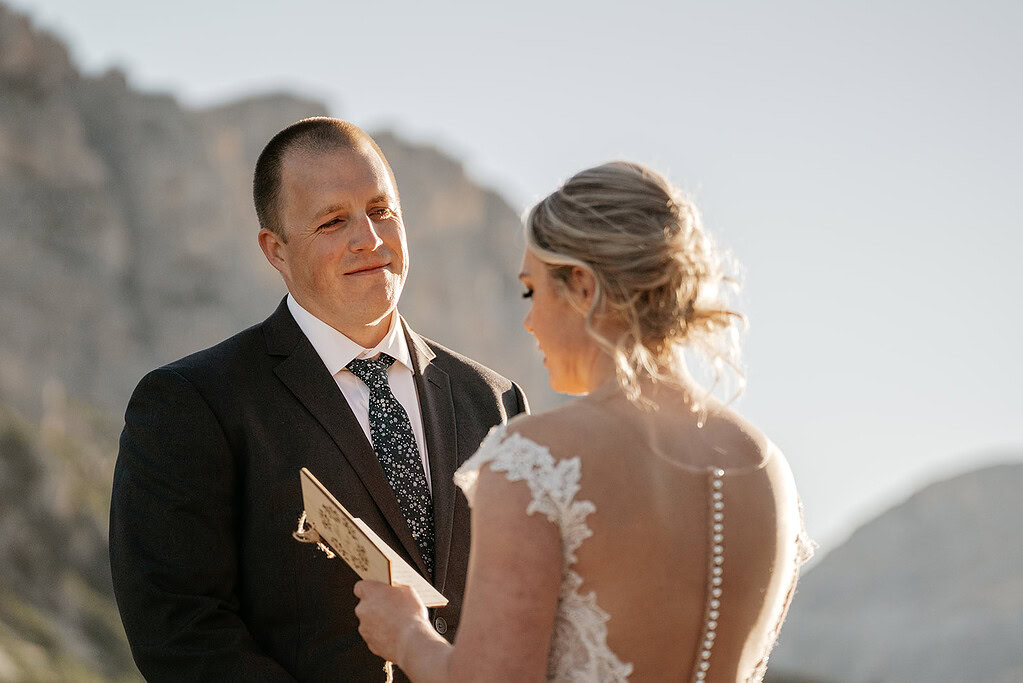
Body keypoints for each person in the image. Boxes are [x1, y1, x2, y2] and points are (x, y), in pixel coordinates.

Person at [353, 161, 814, 681]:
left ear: (582, 286)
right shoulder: (767, 469)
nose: (528, 320)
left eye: (532, 290)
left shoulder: (535, 460)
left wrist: (407, 635)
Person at [108, 117, 529, 682]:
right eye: (333, 221)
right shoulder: (194, 403)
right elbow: (182, 634)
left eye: (382, 211)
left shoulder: (495, 400)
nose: (370, 240)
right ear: (276, 251)